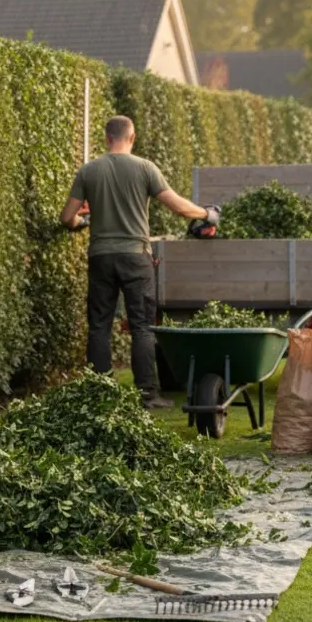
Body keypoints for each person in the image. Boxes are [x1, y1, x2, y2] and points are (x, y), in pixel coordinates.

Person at [60, 116, 218, 409]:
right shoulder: (145, 168)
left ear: (107, 138)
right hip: (136, 257)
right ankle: (148, 394)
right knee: (142, 327)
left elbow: (66, 216)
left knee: (99, 326)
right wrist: (206, 214)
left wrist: (80, 222)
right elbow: (179, 207)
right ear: (132, 138)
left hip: (101, 257)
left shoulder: (89, 170)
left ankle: (100, 395)